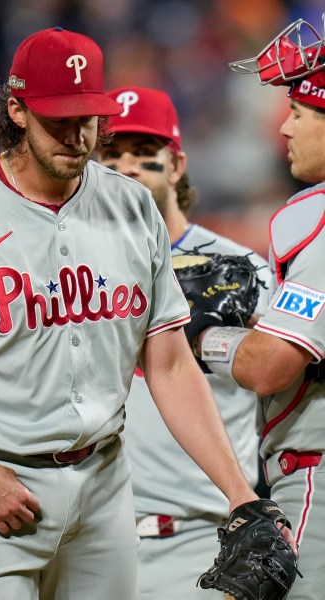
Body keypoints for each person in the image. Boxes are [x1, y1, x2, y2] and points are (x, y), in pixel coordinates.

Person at [0, 27, 280, 600]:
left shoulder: (132, 206)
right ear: (16, 109)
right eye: (57, 116)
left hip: (104, 484)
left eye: (87, 116)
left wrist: (241, 495)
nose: (76, 133)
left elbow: (171, 365)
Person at [97, 86, 270, 598]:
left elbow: (279, 375)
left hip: (197, 542)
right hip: (86, 541)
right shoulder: (68, 268)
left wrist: (213, 337)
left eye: (143, 153)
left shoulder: (240, 271)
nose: (126, 166)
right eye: (111, 153)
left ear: (176, 165)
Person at [187, 14, 325, 599]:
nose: (284, 128)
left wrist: (206, 338)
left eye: (300, 113)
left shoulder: (313, 216)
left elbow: (270, 364)